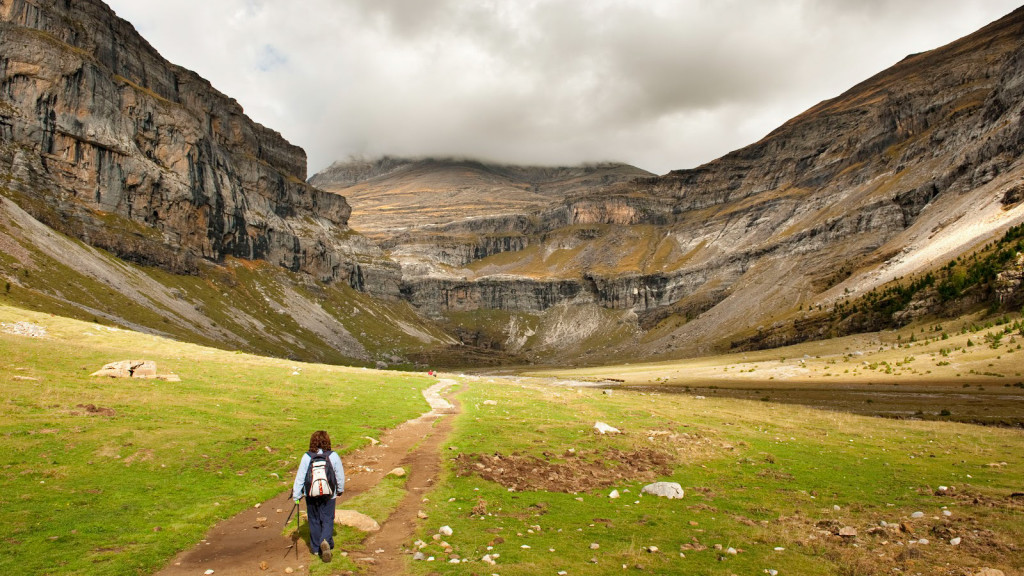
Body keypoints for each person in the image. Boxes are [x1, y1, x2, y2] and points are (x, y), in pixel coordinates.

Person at [292, 430, 345, 562]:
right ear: (327, 441)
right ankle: (326, 541)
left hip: (311, 494)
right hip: (329, 494)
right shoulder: (333, 456)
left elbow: (300, 477)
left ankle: (316, 549)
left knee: (314, 519)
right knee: (327, 518)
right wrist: (340, 489)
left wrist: (296, 495)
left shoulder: (307, 457)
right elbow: (339, 475)